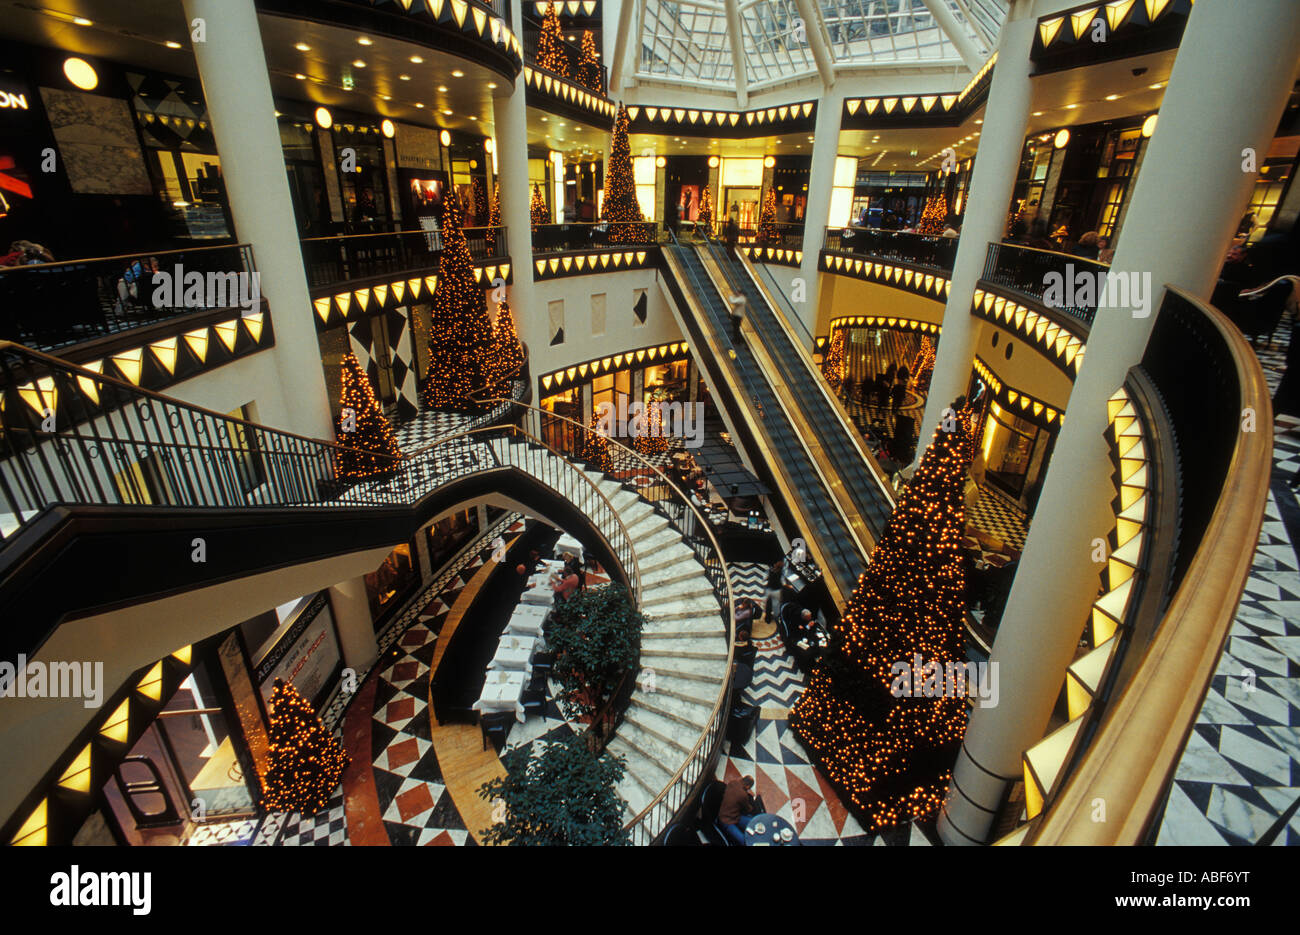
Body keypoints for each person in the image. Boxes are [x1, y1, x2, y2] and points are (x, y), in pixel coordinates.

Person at [718, 776, 758, 845]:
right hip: (726, 821)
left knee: (752, 822)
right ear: (748, 786)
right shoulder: (743, 795)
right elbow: (748, 809)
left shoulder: (732, 782)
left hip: (732, 815)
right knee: (744, 841)